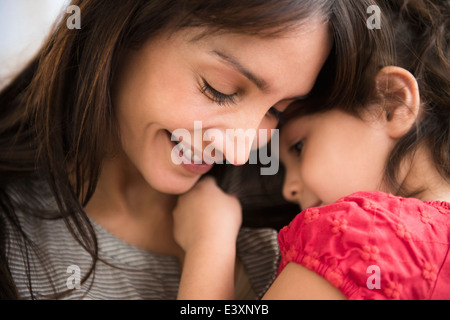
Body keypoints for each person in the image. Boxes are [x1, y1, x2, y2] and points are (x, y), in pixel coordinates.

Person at [0, 0, 381, 300]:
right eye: (220, 89)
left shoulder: (291, 250)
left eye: (277, 112)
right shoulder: (14, 234)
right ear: (125, 26)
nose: (239, 150)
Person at [173, 0, 450, 299]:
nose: (289, 191)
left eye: (299, 147)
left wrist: (210, 243)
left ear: (392, 104)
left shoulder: (361, 236)